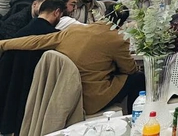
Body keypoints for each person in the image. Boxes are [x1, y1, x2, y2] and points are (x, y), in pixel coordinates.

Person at [0, 8, 144, 114]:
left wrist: (3, 44)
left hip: (65, 93)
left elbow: (37, 41)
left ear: (104, 14)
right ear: (122, 23)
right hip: (92, 99)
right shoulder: (118, 39)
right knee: (138, 78)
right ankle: (135, 118)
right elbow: (129, 69)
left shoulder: (74, 30)